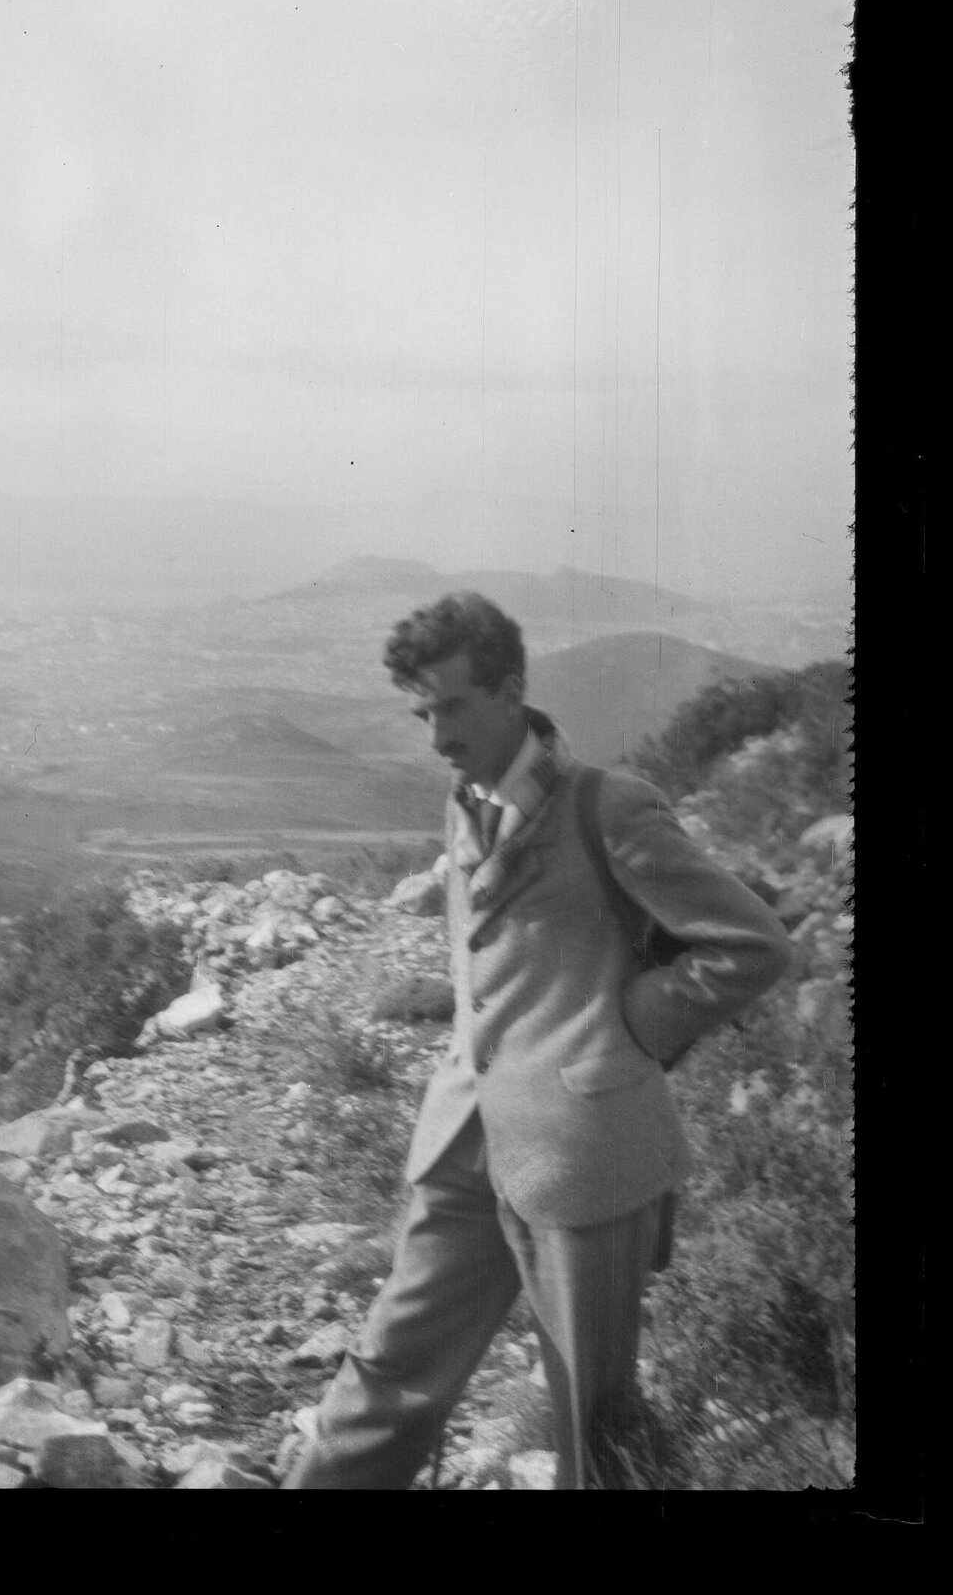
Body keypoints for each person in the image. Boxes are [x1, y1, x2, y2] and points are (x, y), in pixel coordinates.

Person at [283, 592, 792, 1491]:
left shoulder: (610, 807)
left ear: (512, 689)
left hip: (581, 1157)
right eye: (421, 711)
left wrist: (630, 1025)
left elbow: (750, 945)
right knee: (391, 1368)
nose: (435, 734)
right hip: (462, 1142)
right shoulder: (464, 802)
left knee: (588, 1422)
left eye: (452, 707)